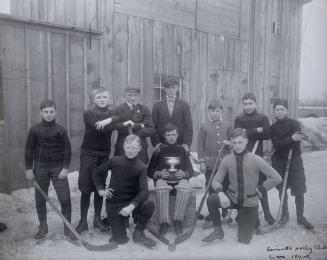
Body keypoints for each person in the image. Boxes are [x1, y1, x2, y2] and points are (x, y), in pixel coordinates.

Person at [202, 128, 282, 244]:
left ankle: (253, 219)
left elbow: (277, 178)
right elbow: (216, 181)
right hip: (233, 198)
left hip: (249, 201)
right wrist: (220, 193)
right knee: (212, 199)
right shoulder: (227, 159)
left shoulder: (256, 159)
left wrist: (261, 189)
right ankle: (218, 231)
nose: (237, 146)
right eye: (234, 143)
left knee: (244, 240)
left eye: (240, 142)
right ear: (231, 142)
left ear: (246, 141)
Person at [91, 135, 156, 248]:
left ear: (140, 148)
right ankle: (112, 220)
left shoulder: (141, 167)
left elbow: (145, 191)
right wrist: (100, 190)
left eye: (134, 148)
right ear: (124, 147)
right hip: (114, 203)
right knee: (121, 240)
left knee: (148, 205)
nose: (131, 150)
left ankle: (138, 233)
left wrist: (131, 206)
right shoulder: (115, 161)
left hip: (131, 202)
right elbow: (95, 172)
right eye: (128, 147)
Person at [76, 88, 124, 234]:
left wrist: (112, 119)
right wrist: (118, 122)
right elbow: (100, 128)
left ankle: (97, 220)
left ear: (109, 99)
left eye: (105, 97)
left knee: (100, 188)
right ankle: (83, 221)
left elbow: (126, 115)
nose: (102, 100)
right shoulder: (88, 113)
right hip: (88, 154)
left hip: (104, 154)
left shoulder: (111, 113)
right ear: (94, 100)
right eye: (99, 97)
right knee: (86, 188)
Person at [25, 99, 75, 240]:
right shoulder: (35, 129)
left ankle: (68, 228)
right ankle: (43, 226)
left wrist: (65, 168)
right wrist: (29, 168)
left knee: (65, 198)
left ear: (56, 112)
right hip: (40, 167)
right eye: (45, 112)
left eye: (51, 112)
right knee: (40, 198)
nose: (48, 114)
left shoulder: (60, 130)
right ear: (41, 112)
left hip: (57, 167)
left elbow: (67, 150)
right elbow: (28, 149)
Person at [271, 98, 314, 230]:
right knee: (281, 189)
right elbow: (277, 145)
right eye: (277, 109)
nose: (279, 112)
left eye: (282, 109)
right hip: (279, 161)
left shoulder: (294, 123)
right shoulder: (272, 127)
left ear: (287, 110)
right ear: (274, 111)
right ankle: (285, 214)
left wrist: (291, 140)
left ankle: (300, 217)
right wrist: (291, 139)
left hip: (294, 160)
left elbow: (297, 140)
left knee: (299, 189)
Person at [234, 93, 275, 226]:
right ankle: (243, 215)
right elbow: (238, 136)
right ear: (242, 104)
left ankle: (267, 214)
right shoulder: (239, 118)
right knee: (243, 186)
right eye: (245, 104)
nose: (248, 106)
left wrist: (248, 132)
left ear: (255, 103)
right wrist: (256, 130)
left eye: (250, 103)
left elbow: (268, 134)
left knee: (260, 185)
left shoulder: (262, 117)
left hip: (257, 156)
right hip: (242, 155)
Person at [148, 123, 194, 235]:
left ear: (178, 135)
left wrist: (184, 174)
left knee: (184, 187)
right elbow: (149, 171)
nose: (171, 137)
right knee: (162, 188)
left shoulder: (183, 150)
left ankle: (178, 221)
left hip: (179, 180)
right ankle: (164, 222)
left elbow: (191, 171)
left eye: (174, 134)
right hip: (164, 180)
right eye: (169, 135)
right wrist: (158, 174)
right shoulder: (159, 150)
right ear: (164, 136)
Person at [197, 99, 233, 221]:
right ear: (209, 112)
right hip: (210, 164)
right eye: (212, 111)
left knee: (225, 185)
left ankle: (225, 210)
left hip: (225, 164)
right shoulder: (204, 127)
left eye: (217, 111)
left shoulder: (228, 125)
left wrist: (229, 143)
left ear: (221, 112)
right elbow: (200, 145)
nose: (214, 114)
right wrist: (201, 162)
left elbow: (234, 141)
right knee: (211, 187)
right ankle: (213, 212)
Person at [113, 86, 154, 164]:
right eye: (129, 95)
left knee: (139, 171)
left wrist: (135, 131)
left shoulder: (144, 109)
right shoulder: (118, 109)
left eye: (135, 95)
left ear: (139, 96)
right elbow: (116, 126)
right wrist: (141, 125)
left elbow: (151, 129)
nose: (132, 98)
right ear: (125, 95)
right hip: (123, 147)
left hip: (140, 148)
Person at [151, 76, 193, 152]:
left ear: (177, 88)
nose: (171, 90)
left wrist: (186, 143)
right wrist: (156, 143)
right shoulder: (157, 105)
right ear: (164, 89)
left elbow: (188, 127)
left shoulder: (184, 105)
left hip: (180, 145)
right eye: (168, 88)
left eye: (173, 88)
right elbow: (154, 126)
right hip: (162, 145)